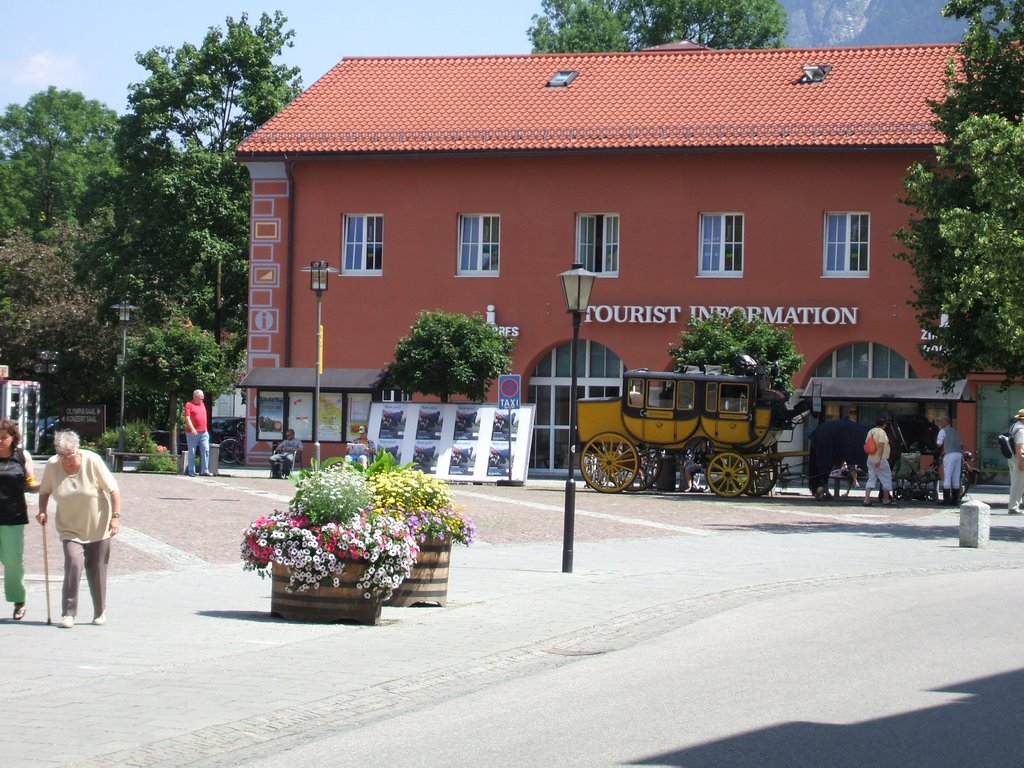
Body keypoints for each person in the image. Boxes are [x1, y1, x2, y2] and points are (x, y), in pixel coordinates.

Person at [37, 430, 121, 629]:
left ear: (77, 449)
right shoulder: (52, 465)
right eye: (62, 455)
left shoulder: (92, 461)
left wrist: (115, 517)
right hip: (69, 527)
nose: (66, 459)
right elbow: (44, 491)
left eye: (70, 454)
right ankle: (68, 613)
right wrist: (42, 511)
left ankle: (100, 611)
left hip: (98, 525)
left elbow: (113, 490)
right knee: (73, 563)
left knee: (96, 567)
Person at [0, 419, 39, 621]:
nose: (0, 441)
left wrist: (43, 486)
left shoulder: (22, 456)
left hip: (13, 515)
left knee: (13, 561)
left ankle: (19, 600)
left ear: (13, 438)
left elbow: (30, 483)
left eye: (4, 437)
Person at [863, 416, 894, 506]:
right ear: (884, 424)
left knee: (871, 478)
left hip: (870, 459)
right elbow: (880, 446)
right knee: (886, 478)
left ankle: (866, 500)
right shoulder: (881, 432)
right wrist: (879, 459)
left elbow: (867, 443)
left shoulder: (871, 431)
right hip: (880, 460)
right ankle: (886, 499)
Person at [935, 415, 963, 506]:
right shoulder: (956, 431)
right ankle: (955, 500)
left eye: (942, 422)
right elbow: (961, 443)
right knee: (955, 476)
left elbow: (939, 443)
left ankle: (946, 500)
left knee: (947, 476)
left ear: (946, 422)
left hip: (949, 454)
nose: (940, 423)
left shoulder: (943, 431)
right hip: (958, 454)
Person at [184, 389, 211, 477]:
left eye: (203, 397)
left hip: (204, 432)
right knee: (192, 452)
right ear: (195, 397)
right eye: (201, 397)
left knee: (206, 450)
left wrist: (206, 430)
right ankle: (192, 471)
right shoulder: (189, 405)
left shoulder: (202, 404)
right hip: (193, 433)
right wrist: (192, 429)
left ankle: (205, 470)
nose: (202, 398)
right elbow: (187, 418)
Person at [1007, 409, 1024, 515]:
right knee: (1018, 484)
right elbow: (1019, 448)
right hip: (1018, 458)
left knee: (1016, 482)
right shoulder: (1021, 430)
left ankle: (1015, 504)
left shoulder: (1014, 427)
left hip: (1011, 458)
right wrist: (1021, 463)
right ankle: (1013, 507)